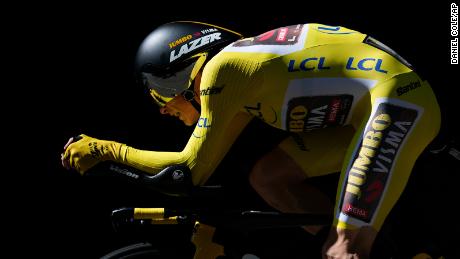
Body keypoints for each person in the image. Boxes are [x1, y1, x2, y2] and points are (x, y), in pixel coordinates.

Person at [61, 21, 441, 258]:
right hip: (377, 105)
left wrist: (106, 149)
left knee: (344, 250)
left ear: (186, 61)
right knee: (270, 175)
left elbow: (187, 171)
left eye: (160, 88)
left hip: (397, 100)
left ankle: (351, 246)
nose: (161, 106)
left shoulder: (222, 70)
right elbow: (214, 168)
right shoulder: (242, 77)